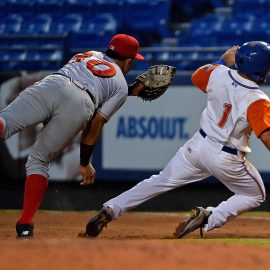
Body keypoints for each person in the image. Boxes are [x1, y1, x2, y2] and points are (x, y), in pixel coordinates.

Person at [81, 41, 270, 239]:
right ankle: (209, 217)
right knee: (255, 194)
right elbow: (266, 137)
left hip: (198, 146)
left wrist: (223, 61)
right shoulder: (257, 99)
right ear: (263, 71)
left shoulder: (218, 73)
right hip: (227, 158)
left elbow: (197, 76)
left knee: (160, 180)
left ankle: (111, 208)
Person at [0, 33, 174, 238]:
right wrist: (84, 162)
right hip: (80, 102)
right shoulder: (119, 85)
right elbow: (96, 122)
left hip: (52, 82)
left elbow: (93, 81)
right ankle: (25, 225)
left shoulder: (87, 54)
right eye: (132, 61)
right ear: (128, 60)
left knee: (4, 122)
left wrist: (131, 90)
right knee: (38, 161)